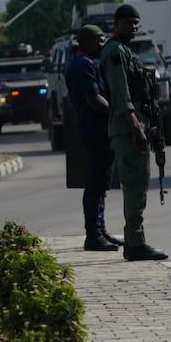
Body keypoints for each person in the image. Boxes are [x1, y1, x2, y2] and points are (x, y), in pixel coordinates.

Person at [100, 4, 168, 261]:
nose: (134, 27)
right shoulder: (116, 52)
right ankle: (135, 243)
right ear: (117, 24)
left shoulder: (126, 51)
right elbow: (121, 95)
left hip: (133, 126)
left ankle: (135, 240)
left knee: (139, 183)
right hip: (127, 128)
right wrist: (136, 127)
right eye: (129, 22)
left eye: (137, 23)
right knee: (135, 185)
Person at [67, 24, 121, 252]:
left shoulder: (86, 63)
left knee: (101, 184)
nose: (102, 45)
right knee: (96, 184)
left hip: (98, 130)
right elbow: (95, 100)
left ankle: (100, 229)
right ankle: (93, 234)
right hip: (95, 130)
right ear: (87, 41)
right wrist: (119, 111)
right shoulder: (82, 66)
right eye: (99, 41)